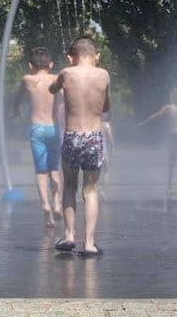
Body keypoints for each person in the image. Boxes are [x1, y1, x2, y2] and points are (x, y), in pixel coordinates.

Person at [49, 36, 110, 256]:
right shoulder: (103, 74)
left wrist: (63, 78)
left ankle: (69, 236)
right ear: (97, 56)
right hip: (93, 137)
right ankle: (90, 243)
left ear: (71, 57)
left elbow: (51, 89)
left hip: (72, 137)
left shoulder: (66, 73)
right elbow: (106, 106)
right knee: (91, 190)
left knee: (70, 187)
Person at [12, 46, 63, 228]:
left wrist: (16, 111)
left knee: (41, 172)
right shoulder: (57, 79)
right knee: (55, 170)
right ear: (51, 64)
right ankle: (58, 203)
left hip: (37, 130)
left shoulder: (27, 80)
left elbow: (17, 99)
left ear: (29, 65)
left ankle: (45, 207)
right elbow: (65, 98)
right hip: (54, 129)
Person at [136, 87, 177, 196]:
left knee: (172, 163)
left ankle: (169, 188)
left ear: (174, 96)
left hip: (174, 134)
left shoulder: (169, 107)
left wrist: (143, 123)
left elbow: (155, 116)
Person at [99, 112, 115, 202]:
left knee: (94, 172)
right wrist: (113, 147)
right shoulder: (106, 125)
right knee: (107, 170)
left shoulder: (95, 123)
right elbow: (110, 137)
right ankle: (104, 192)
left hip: (93, 149)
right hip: (102, 150)